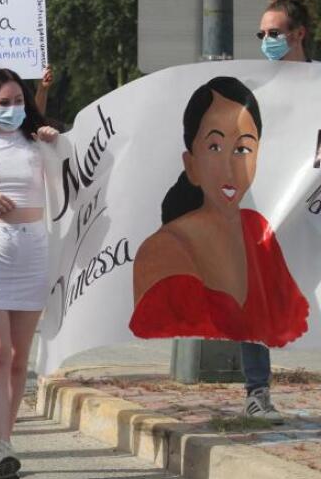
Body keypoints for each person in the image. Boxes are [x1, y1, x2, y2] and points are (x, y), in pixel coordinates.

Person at [130, 77, 309, 393]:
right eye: (214, 146)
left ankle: (258, 391)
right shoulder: (164, 250)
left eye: (243, 148)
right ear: (191, 162)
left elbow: (288, 318)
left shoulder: (256, 230)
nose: (230, 164)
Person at [0, 68, 62, 479]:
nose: (11, 109)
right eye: (2, 103)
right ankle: (2, 445)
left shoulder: (39, 141)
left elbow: (71, 180)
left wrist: (57, 144)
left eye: (18, 101)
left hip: (33, 254)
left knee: (20, 359)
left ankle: (2, 442)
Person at [235, 0, 315, 421]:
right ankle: (257, 391)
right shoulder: (254, 91)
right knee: (255, 297)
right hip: (265, 207)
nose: (267, 42)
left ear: (299, 34)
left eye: (275, 33)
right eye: (262, 35)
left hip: (312, 208)